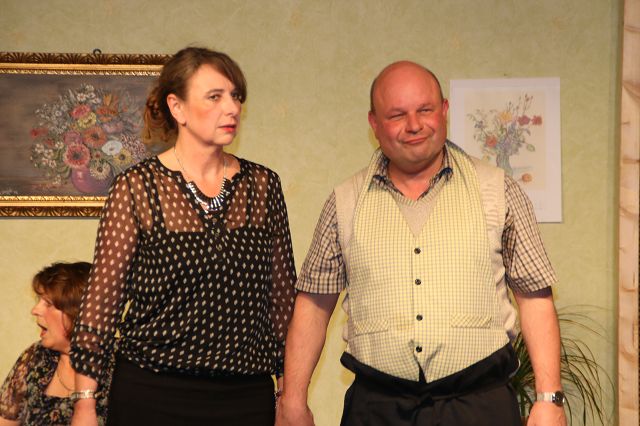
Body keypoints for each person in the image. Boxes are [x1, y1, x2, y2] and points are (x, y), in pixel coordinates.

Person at [276, 61, 567, 426]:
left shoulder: (499, 190)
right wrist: (293, 400)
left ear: (444, 110)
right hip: (376, 410)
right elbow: (314, 305)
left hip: (480, 406)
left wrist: (549, 399)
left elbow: (534, 297)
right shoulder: (344, 202)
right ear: (374, 123)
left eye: (425, 110)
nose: (414, 125)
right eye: (397, 115)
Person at [69, 47, 296, 426]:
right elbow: (102, 302)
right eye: (215, 97)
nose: (232, 108)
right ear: (177, 108)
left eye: (236, 96)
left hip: (245, 396)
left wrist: (289, 394)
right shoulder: (137, 187)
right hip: (152, 394)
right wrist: (85, 404)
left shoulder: (262, 186)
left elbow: (282, 302)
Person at [0, 262, 108, 426]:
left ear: (78, 312)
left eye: (48, 303)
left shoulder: (120, 366)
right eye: (39, 301)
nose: (35, 310)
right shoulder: (35, 356)